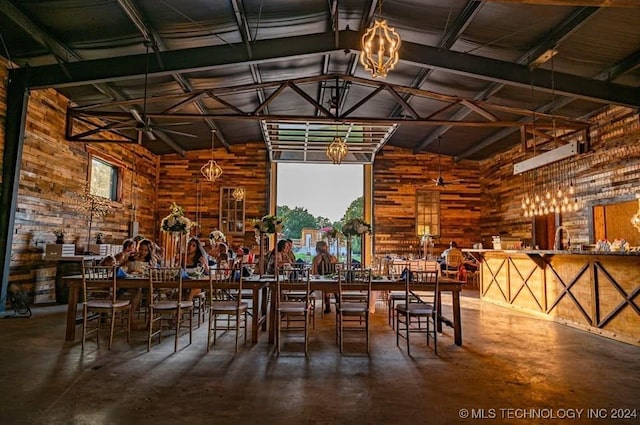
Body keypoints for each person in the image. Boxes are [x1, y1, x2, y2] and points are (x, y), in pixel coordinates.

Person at [312, 240, 337, 313]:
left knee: (324, 286)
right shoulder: (333, 258)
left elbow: (314, 272)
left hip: (322, 282)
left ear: (317, 249)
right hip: (334, 281)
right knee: (331, 286)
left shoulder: (316, 258)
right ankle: (338, 302)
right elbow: (337, 269)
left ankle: (327, 306)